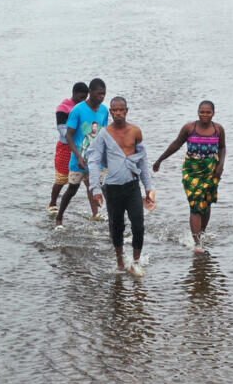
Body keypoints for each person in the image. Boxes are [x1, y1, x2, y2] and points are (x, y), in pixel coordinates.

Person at [88, 96, 156, 275]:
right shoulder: (104, 134)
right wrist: (95, 188)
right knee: (116, 226)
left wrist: (148, 187)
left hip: (132, 186)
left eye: (121, 110)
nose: (118, 113)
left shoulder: (135, 131)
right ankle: (119, 260)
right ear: (110, 112)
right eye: (114, 110)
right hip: (113, 188)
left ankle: (135, 261)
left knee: (138, 226)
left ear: (126, 110)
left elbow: (142, 161)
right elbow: (94, 160)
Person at [153, 100, 226, 254]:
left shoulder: (218, 129)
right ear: (198, 112)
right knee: (195, 205)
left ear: (213, 113)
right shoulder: (189, 128)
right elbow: (176, 144)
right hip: (192, 171)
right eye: (202, 112)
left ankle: (201, 234)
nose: (205, 115)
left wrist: (220, 166)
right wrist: (160, 160)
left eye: (208, 112)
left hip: (211, 170)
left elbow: (222, 147)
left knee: (206, 204)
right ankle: (197, 243)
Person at [56, 78, 109, 229]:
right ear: (90, 93)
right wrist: (78, 156)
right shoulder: (77, 110)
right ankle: (59, 218)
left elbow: (104, 133)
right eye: (99, 94)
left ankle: (97, 215)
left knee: (98, 187)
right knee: (72, 189)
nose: (102, 97)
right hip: (79, 159)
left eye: (104, 94)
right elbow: (69, 135)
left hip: (96, 160)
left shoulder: (104, 110)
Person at [50, 81, 89, 213]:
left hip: (81, 146)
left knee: (88, 179)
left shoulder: (84, 108)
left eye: (85, 98)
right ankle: (52, 203)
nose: (82, 100)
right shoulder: (63, 108)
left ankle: (95, 212)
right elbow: (62, 129)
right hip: (66, 147)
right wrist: (76, 136)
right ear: (74, 94)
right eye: (80, 97)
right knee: (61, 178)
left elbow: (86, 126)